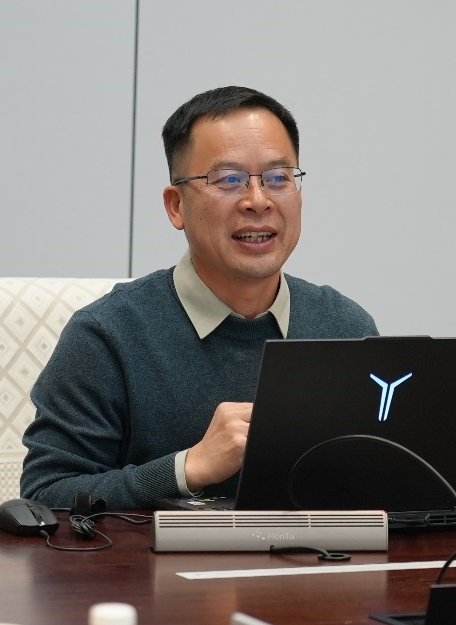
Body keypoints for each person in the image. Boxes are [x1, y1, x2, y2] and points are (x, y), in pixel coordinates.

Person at [20, 86, 378, 509]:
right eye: (228, 180)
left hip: (318, 553)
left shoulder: (346, 329)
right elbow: (46, 495)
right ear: (176, 206)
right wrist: (187, 468)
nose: (258, 201)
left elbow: (385, 484)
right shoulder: (107, 335)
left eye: (278, 178)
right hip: (155, 556)